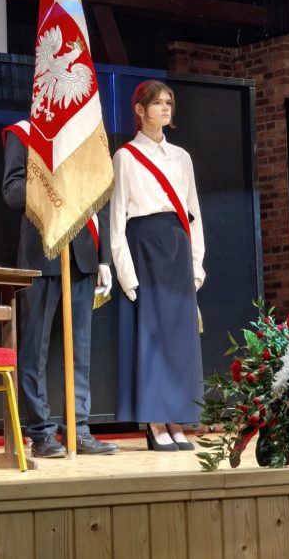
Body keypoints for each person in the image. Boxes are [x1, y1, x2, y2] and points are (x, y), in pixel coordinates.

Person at [2, 119, 119, 457]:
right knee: (35, 347)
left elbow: (100, 194)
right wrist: (51, 182)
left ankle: (78, 428)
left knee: (80, 349)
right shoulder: (23, 133)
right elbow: (12, 192)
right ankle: (40, 432)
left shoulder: (82, 130)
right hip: (41, 251)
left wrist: (104, 258)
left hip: (82, 253)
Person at [110, 80, 204, 451]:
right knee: (149, 335)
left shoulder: (182, 157)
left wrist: (197, 264)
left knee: (179, 338)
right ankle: (154, 421)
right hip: (144, 246)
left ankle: (177, 418)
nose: (165, 108)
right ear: (139, 109)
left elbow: (193, 214)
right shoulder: (126, 156)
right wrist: (125, 272)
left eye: (169, 102)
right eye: (157, 103)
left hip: (177, 247)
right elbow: (117, 219)